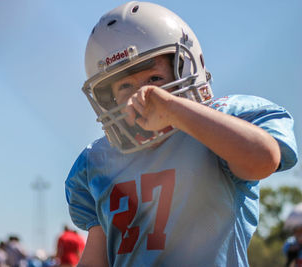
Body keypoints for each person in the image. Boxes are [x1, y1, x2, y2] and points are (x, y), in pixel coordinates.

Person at [65, 1, 298, 266]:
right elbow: (97, 257)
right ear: (109, 99)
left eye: (155, 79)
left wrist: (173, 109)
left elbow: (263, 158)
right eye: (126, 86)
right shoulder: (98, 160)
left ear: (187, 68)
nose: (144, 95)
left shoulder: (219, 126)